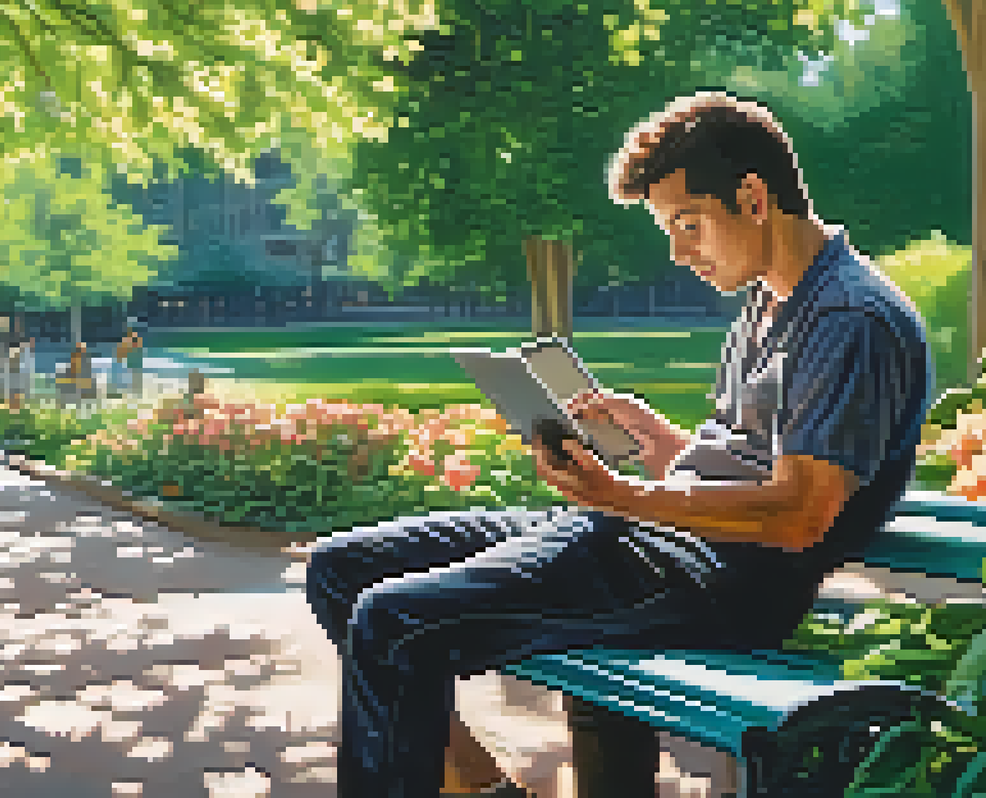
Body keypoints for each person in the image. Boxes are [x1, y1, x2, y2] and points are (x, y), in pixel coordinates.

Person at [305, 91, 932, 798]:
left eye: (688, 224)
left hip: (714, 579)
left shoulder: (851, 318)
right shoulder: (768, 302)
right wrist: (660, 443)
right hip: (651, 537)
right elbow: (746, 468)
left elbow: (801, 512)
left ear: (753, 197)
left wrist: (627, 495)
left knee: (392, 622)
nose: (678, 251)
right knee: (339, 569)